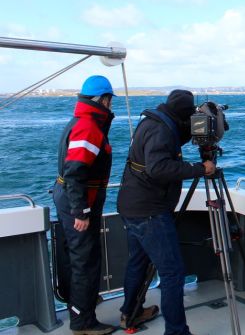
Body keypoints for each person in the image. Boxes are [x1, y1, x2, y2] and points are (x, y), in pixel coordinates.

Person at [117, 90, 215, 335]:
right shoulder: (161, 129)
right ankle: (176, 331)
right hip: (150, 211)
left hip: (132, 204)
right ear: (183, 114)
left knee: (138, 262)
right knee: (172, 272)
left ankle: (130, 312)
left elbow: (166, 144)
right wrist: (199, 168)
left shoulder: (155, 122)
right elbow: (158, 167)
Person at [53, 75, 116, 335]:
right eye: (109, 101)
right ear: (102, 100)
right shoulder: (89, 126)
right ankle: (83, 322)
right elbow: (76, 171)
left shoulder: (81, 120)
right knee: (85, 261)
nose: (111, 106)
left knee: (77, 258)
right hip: (76, 201)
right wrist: (81, 211)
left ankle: (80, 305)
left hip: (70, 197)